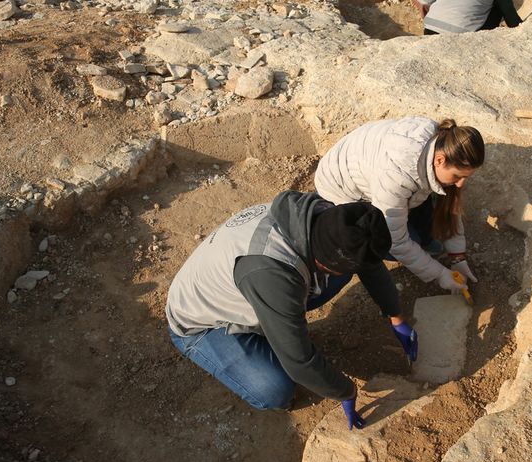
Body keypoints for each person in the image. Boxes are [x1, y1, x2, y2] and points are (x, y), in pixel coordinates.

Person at [165, 190, 418, 430]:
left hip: (250, 289)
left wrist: (395, 315)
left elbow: (367, 262)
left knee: (342, 274)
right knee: (275, 390)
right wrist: (346, 391)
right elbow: (299, 362)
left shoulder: (322, 217)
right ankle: (261, 340)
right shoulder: (273, 273)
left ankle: (278, 327)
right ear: (324, 262)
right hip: (204, 324)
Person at [314, 116, 484, 295]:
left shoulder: (443, 142)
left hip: (376, 175)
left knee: (426, 223)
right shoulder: (395, 178)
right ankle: (422, 243)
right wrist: (439, 274)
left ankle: (425, 240)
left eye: (466, 177)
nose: (461, 184)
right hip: (340, 190)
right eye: (458, 176)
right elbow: (396, 241)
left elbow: (449, 204)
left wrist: (458, 256)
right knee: (396, 244)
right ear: (440, 160)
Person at [411, 0, 523, 35]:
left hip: (430, 28)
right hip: (461, 33)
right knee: (499, 6)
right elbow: (512, 19)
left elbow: (423, 1)